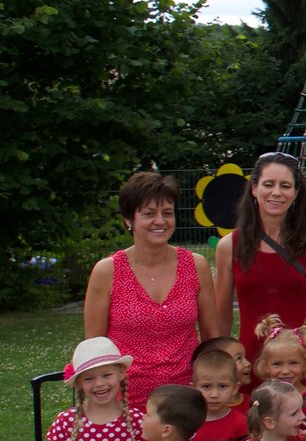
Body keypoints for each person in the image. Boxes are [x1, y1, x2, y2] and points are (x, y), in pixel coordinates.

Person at [211, 154, 306, 394]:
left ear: (296, 192)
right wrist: (222, 365)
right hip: (251, 364)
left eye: (285, 185)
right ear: (254, 188)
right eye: (269, 184)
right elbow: (221, 315)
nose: (276, 192)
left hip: (301, 364)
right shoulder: (229, 246)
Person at [86, 172, 215, 407]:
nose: (160, 221)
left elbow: (211, 341)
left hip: (186, 401)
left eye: (167, 213)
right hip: (125, 403)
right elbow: (94, 350)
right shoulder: (107, 272)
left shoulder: (196, 266)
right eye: (149, 214)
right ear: (129, 219)